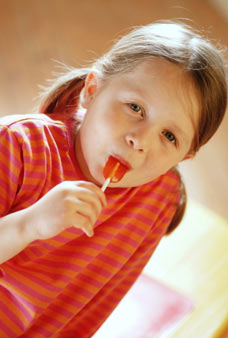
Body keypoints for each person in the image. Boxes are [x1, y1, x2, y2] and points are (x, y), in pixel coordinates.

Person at [0, 21, 227, 337]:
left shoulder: (159, 199)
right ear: (92, 90)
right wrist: (30, 224)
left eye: (169, 136)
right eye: (135, 107)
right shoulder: (15, 145)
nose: (140, 140)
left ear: (185, 156)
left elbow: (95, 305)